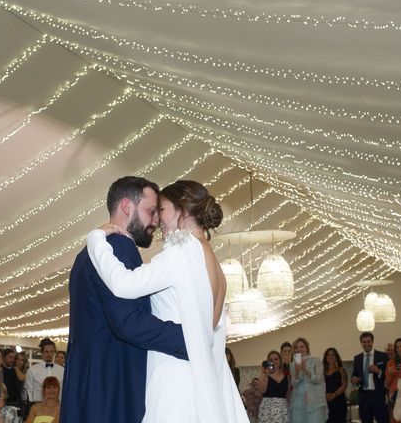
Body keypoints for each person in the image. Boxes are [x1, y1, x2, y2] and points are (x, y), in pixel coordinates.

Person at [86, 179, 248, 422]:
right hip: (205, 377)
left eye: (162, 209)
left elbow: (123, 284)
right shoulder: (213, 262)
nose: (157, 220)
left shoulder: (182, 250)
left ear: (182, 209)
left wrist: (96, 239)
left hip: (174, 376)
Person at [60, 176, 189, 423]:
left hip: (88, 384)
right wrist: (191, 338)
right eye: (150, 211)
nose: (155, 221)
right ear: (127, 207)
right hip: (113, 384)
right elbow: (128, 322)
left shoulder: (87, 253)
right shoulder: (119, 248)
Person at [352, 332, 389, 423]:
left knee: (382, 420)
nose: (366, 344)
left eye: (368, 341)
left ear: (372, 342)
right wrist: (354, 379)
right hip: (363, 396)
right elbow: (354, 375)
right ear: (361, 343)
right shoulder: (357, 358)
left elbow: (388, 375)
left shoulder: (382, 356)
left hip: (378, 395)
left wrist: (378, 371)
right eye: (364, 342)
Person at [289, 337, 327, 423]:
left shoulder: (316, 360)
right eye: (296, 347)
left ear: (306, 348)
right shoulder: (292, 364)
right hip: (298, 400)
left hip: (314, 399)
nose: (299, 349)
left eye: (302, 346)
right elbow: (294, 384)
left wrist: (305, 370)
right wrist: (297, 371)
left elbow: (318, 379)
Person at [25, 339, 64, 405]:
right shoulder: (32, 370)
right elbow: (28, 390)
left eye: (51, 352)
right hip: (38, 406)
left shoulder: (62, 371)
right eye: (46, 352)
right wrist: (33, 406)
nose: (49, 354)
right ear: (42, 352)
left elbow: (62, 391)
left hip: (56, 407)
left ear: (54, 352)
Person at [256, 350, 288, 423]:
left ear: (280, 361)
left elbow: (288, 395)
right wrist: (266, 375)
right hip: (268, 410)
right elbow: (262, 390)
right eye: (271, 360)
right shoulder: (264, 374)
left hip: (282, 409)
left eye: (276, 359)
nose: (274, 361)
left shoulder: (286, 376)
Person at [385, 337, 401, 423]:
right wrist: (390, 372)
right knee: (396, 419)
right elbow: (387, 382)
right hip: (395, 395)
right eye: (397, 347)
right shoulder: (390, 363)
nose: (400, 349)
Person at [324, 347, 347, 423]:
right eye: (328, 355)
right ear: (326, 357)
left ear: (336, 357)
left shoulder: (341, 370)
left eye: (333, 355)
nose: (330, 357)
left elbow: (344, 385)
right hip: (326, 403)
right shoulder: (322, 372)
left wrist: (334, 395)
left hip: (339, 402)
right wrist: (324, 396)